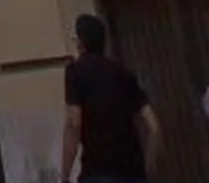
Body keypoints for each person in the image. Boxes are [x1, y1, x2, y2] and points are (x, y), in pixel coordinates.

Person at [63, 13, 159, 183]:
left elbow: (73, 123)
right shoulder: (124, 73)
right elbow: (155, 128)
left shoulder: (75, 72)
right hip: (133, 172)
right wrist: (147, 171)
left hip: (97, 171)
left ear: (81, 42)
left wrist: (64, 176)